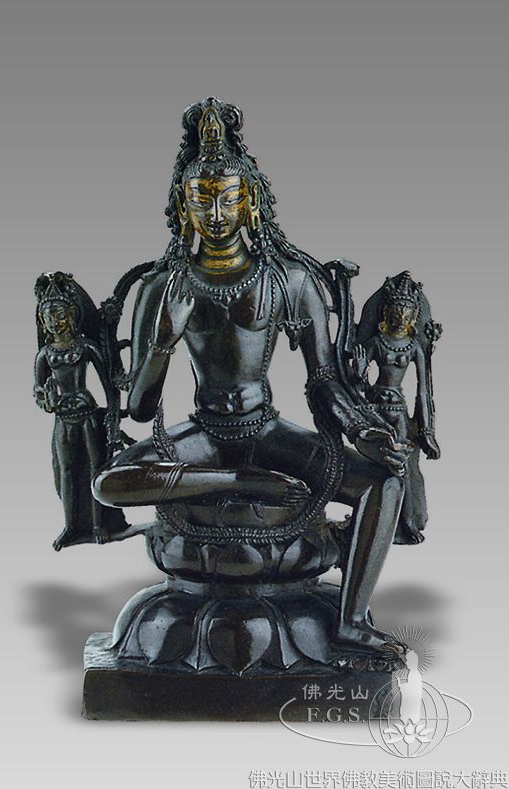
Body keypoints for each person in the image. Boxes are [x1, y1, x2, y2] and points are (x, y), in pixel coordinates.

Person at [93, 97, 407, 651]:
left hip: (266, 429)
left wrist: (363, 429)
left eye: (227, 199)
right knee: (110, 484)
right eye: (202, 201)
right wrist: (163, 341)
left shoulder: (288, 279)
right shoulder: (164, 287)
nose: (215, 215)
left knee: (383, 483)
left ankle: (351, 620)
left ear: (251, 202)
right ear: (183, 206)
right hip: (202, 436)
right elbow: (140, 408)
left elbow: (324, 381)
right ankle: (240, 480)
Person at [34, 272, 127, 550]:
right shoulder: (45, 355)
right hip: (63, 419)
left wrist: (113, 415)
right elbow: (39, 391)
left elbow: (109, 385)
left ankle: (99, 524)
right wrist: (47, 400)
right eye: (49, 317)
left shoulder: (85, 347)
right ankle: (71, 526)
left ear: (72, 315)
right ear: (43, 322)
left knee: (96, 467)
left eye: (60, 315)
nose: (55, 322)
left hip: (87, 415)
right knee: (66, 470)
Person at [352, 271, 441, 544]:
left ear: (413, 317)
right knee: (375, 462)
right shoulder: (376, 342)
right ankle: (376, 519)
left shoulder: (414, 348)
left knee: (402, 464)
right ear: (385, 313)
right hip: (375, 408)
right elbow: (357, 379)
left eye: (406, 312)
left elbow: (423, 390)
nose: (400, 317)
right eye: (396, 311)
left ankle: (407, 522)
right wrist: (359, 371)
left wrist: (427, 431)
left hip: (399, 413)